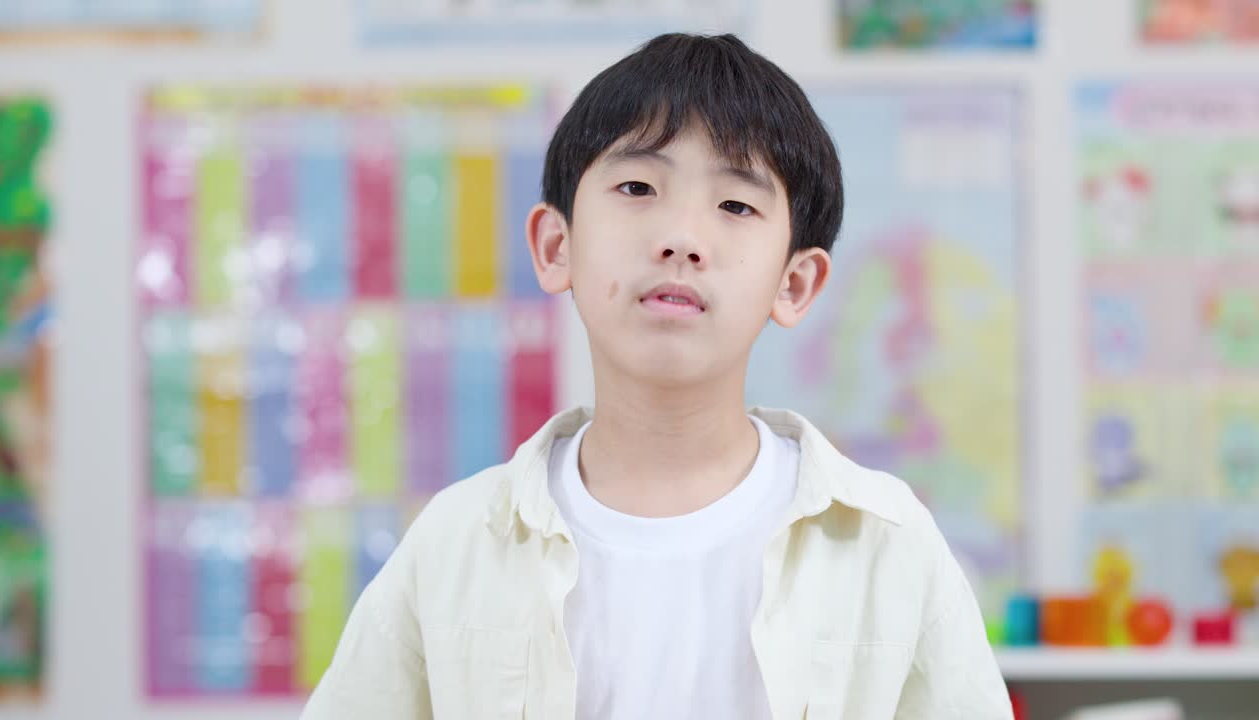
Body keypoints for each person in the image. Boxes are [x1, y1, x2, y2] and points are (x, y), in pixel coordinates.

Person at [302, 32, 1012, 720]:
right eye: (638, 186)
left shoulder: (886, 541)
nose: (681, 239)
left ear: (794, 283)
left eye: (736, 205)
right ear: (556, 246)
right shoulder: (456, 540)